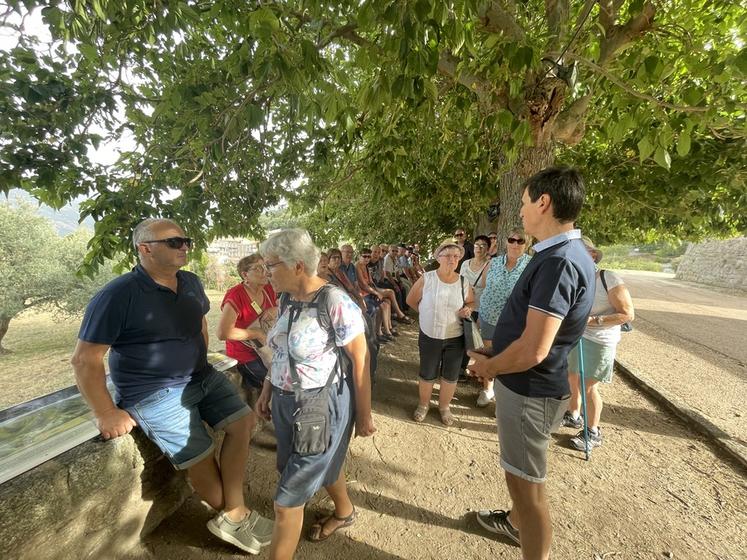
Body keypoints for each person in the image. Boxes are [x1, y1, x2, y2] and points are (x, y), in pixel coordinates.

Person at [71, 218, 273, 555]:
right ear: (145, 248)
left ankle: (235, 511)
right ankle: (234, 513)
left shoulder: (191, 282)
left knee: (244, 423)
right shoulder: (118, 295)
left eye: (186, 240)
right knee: (202, 454)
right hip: (153, 392)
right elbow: (85, 360)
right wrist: (106, 412)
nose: (185, 247)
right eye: (174, 242)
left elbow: (200, 325)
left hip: (201, 375)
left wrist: (203, 360)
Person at [467, 167, 595, 560]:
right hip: (531, 384)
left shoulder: (559, 261)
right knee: (527, 484)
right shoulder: (562, 255)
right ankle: (513, 523)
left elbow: (534, 349)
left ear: (543, 202)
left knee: (528, 490)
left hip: (529, 390)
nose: (520, 212)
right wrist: (497, 353)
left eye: (523, 203)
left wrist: (490, 368)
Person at [255, 229, 375, 560]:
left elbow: (360, 359)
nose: (266, 273)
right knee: (308, 466)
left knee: (286, 500)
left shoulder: (334, 301)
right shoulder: (285, 298)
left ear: (297, 266)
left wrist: (364, 415)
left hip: (319, 406)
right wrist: (267, 388)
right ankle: (345, 511)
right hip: (284, 401)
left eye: (271, 265)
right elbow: (281, 352)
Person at [561, 237, 635, 451]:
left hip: (600, 341)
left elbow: (627, 314)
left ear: (592, 255)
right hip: (577, 337)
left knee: (588, 387)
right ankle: (573, 414)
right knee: (572, 377)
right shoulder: (574, 279)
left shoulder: (608, 277)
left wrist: (594, 321)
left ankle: (593, 432)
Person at [406, 242, 474, 426]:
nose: (452, 259)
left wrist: (467, 309)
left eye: (456, 256)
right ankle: (423, 405)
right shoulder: (427, 278)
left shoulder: (463, 281)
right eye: (448, 255)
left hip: (455, 336)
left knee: (450, 375)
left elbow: (471, 302)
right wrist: (428, 314)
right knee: (427, 373)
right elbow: (411, 300)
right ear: (438, 258)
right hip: (430, 335)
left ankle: (444, 407)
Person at [475, 228, 532, 407]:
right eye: (512, 240)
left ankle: (503, 395)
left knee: (508, 356)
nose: (515, 244)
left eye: (520, 241)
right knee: (488, 353)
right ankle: (487, 388)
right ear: (506, 242)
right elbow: (484, 285)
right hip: (488, 315)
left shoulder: (531, 265)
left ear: (527, 244)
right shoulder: (493, 262)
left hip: (514, 321)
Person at [217, 254, 278, 403]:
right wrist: (256, 333)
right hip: (245, 354)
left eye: (265, 266)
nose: (265, 271)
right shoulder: (236, 294)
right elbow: (222, 332)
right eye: (258, 268)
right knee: (277, 379)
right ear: (245, 274)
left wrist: (275, 308)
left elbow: (279, 308)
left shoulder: (268, 288)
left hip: (268, 349)